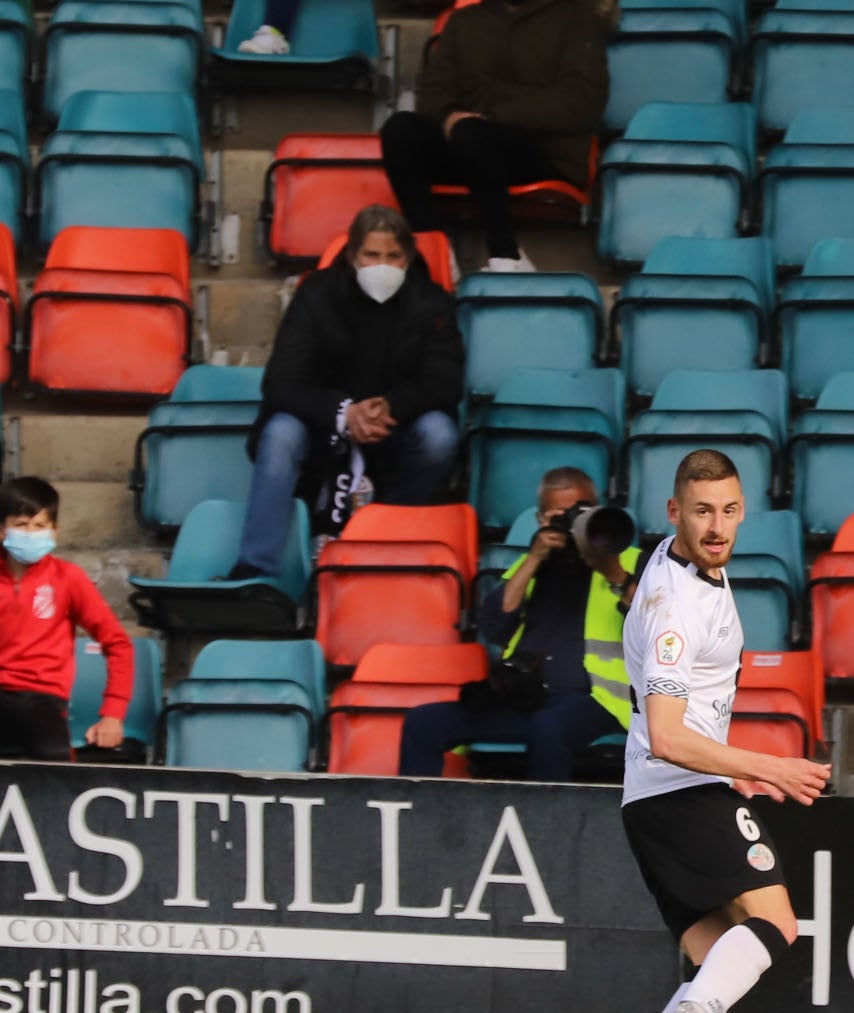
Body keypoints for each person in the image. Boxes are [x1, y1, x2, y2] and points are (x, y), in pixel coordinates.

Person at [600, 449, 832, 1013]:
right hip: (681, 787)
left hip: (650, 798)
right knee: (775, 925)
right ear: (674, 512)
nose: (717, 527)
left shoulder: (680, 566)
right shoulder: (677, 608)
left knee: (716, 956)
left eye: (729, 510)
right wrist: (769, 766)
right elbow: (668, 735)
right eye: (702, 512)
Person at [232, 206, 464, 582]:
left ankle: (387, 538)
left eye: (393, 256)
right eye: (372, 255)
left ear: (408, 257)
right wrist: (344, 413)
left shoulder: (432, 301)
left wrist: (391, 406)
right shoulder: (316, 294)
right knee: (280, 433)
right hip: (320, 426)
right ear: (353, 255)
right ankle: (255, 571)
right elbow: (281, 382)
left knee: (439, 435)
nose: (382, 265)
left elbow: (445, 382)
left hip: (394, 426)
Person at [399, 468, 635, 781]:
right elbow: (493, 626)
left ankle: (543, 814)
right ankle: (418, 813)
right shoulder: (533, 563)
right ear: (541, 519)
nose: (572, 522)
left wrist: (610, 568)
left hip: (598, 701)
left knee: (548, 727)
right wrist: (534, 558)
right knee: (423, 723)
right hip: (526, 697)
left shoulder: (628, 560)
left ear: (598, 510)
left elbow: (656, 620)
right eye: (560, 515)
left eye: (581, 511)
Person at [379, 0, 609, 273]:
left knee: (472, 133)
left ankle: (506, 254)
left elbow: (581, 102)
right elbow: (433, 92)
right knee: (400, 128)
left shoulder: (578, 19)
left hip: (542, 155)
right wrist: (450, 116)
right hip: (467, 143)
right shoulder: (462, 21)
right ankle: (432, 250)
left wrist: (493, 118)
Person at [0, 478, 134, 761]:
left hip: (42, 698)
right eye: (21, 525)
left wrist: (112, 714)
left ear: (54, 531)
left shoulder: (68, 578)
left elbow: (118, 645)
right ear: (2, 530)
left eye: (40, 525)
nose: (30, 533)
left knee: (53, 760)